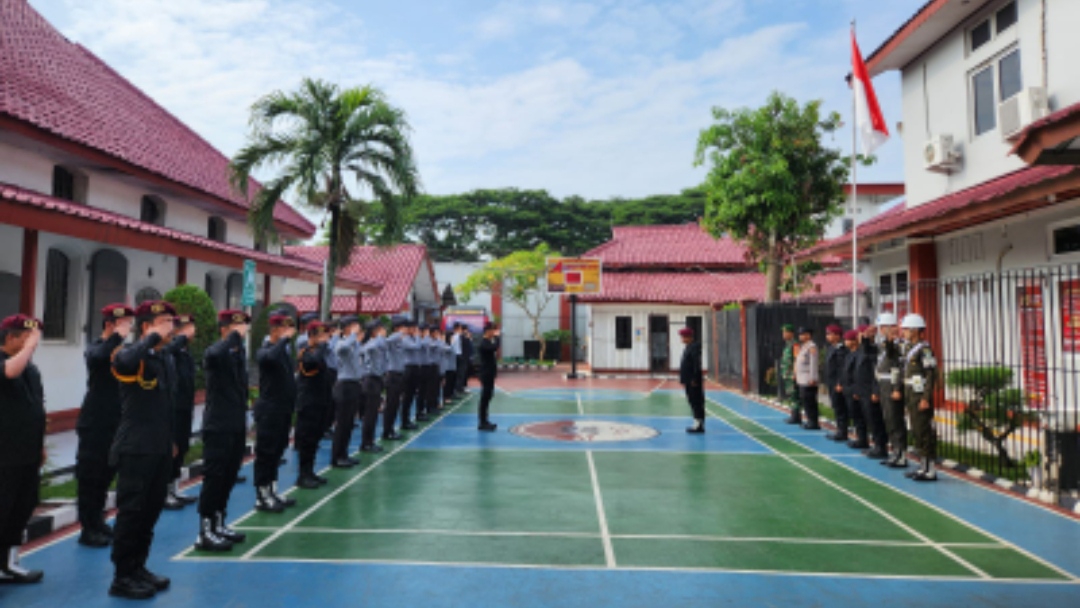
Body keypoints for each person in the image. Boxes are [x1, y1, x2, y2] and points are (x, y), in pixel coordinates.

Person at [108, 301, 177, 599]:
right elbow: (122, 362)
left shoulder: (163, 358)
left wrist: (170, 440)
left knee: (150, 511)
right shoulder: (129, 355)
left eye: (171, 321)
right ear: (146, 326)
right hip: (136, 447)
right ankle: (122, 575)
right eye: (163, 322)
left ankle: (138, 567)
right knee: (132, 512)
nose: (170, 327)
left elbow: (165, 405)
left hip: (159, 446)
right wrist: (150, 338)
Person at [76, 304, 134, 546]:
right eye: (124, 323)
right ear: (110, 324)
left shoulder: (124, 351)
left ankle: (98, 521)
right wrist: (116, 337)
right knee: (91, 477)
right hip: (96, 423)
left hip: (117, 422)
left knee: (105, 476)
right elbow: (99, 358)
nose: (129, 328)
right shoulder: (96, 347)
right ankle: (87, 528)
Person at [195, 310, 251, 552]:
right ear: (224, 329)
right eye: (236, 327)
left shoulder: (238, 354)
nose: (242, 331)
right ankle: (205, 530)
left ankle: (219, 522)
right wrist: (232, 338)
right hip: (218, 424)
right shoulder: (216, 352)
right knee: (215, 477)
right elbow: (214, 354)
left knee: (229, 475)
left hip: (235, 423)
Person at [0, 314, 45, 585]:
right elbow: (9, 372)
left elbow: (37, 407)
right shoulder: (9, 364)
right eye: (26, 338)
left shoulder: (30, 369)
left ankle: (9, 563)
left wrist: (40, 445)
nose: (33, 344)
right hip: (4, 455)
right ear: (10, 338)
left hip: (27, 452)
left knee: (22, 507)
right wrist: (29, 348)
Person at [253, 314, 298, 512]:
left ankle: (272, 490)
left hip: (283, 409)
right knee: (266, 453)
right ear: (274, 330)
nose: (289, 332)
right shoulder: (265, 350)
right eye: (284, 328)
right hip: (269, 410)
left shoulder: (283, 351)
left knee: (277, 451)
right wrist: (284, 339)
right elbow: (269, 358)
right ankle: (262, 496)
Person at [163, 314, 198, 511]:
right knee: (172, 449)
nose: (190, 332)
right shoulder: (171, 351)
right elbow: (170, 349)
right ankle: (165, 492)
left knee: (182, 447)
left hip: (185, 408)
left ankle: (174, 488)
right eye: (185, 328)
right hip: (173, 409)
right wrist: (182, 337)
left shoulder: (185, 354)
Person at [899, 313, 938, 482]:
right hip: (911, 394)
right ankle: (923, 466)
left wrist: (925, 398)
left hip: (920, 395)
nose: (903, 332)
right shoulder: (909, 349)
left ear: (914, 330)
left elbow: (930, 375)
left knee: (924, 432)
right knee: (916, 430)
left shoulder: (925, 350)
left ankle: (930, 470)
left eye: (906, 329)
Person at [295, 321, 332, 489]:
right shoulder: (305, 352)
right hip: (308, 404)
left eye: (325, 335)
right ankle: (303, 475)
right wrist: (322, 346)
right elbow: (314, 362)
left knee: (315, 439)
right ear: (311, 337)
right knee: (306, 440)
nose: (324, 339)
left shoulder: (318, 352)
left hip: (319, 402)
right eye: (320, 335)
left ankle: (310, 472)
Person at [875, 313, 908, 468]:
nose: (881, 330)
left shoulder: (898, 345)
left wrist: (896, 388)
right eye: (881, 327)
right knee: (888, 419)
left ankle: (901, 454)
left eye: (884, 327)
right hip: (883, 384)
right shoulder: (883, 344)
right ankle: (895, 451)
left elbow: (899, 368)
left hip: (892, 384)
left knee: (895, 420)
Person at [332, 316, 364, 467]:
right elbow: (342, 349)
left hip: (354, 384)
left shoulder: (354, 343)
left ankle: (344, 454)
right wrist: (352, 335)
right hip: (344, 385)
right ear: (346, 328)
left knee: (349, 423)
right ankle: (337, 457)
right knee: (342, 423)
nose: (357, 328)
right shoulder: (341, 342)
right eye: (354, 325)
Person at [855, 325, 888, 460]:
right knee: (870, 419)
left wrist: (875, 391)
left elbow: (876, 372)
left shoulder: (876, 350)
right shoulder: (862, 350)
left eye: (862, 334)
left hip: (871, 391)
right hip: (863, 391)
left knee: (876, 420)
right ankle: (876, 445)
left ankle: (881, 447)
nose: (859, 337)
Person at [361, 320, 387, 453]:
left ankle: (370, 441)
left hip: (377, 380)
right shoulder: (371, 344)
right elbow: (368, 348)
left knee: (374, 413)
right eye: (382, 329)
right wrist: (379, 337)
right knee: (370, 414)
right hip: (370, 380)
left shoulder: (377, 343)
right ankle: (366, 443)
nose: (384, 331)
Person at [381, 316, 408, 441]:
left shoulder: (401, 340)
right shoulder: (393, 339)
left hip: (399, 374)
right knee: (391, 404)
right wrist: (398, 334)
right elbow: (386, 341)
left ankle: (390, 429)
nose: (406, 329)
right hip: (392, 375)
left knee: (396, 404)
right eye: (404, 327)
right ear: (397, 328)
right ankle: (387, 431)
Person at [841, 330, 869, 449]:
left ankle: (863, 439)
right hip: (848, 389)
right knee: (854, 415)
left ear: (854, 341)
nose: (845, 342)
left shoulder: (859, 354)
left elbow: (857, 374)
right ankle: (859, 437)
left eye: (847, 339)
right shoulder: (849, 354)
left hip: (855, 389)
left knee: (859, 416)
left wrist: (856, 390)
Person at [824, 325, 849, 442]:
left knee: (840, 407)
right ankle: (839, 429)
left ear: (837, 336)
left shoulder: (841, 350)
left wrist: (840, 382)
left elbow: (841, 368)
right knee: (836, 406)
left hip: (837, 383)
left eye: (830, 334)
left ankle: (843, 431)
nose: (828, 336)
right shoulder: (831, 348)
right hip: (831, 382)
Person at [678, 326, 705, 433]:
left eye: (684, 337)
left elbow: (696, 364)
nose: (682, 339)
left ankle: (699, 425)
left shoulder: (694, 347)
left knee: (696, 401)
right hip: (688, 380)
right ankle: (696, 422)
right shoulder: (688, 347)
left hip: (693, 381)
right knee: (692, 401)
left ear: (689, 337)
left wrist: (694, 378)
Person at [794, 327, 821, 430]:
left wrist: (813, 378)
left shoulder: (811, 347)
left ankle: (813, 422)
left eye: (803, 334)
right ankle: (810, 420)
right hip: (802, 379)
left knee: (810, 401)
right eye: (800, 334)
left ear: (808, 335)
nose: (800, 336)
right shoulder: (803, 346)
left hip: (808, 379)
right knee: (805, 401)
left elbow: (813, 364)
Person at [477, 323, 500, 431]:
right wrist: (498, 338)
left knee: (488, 396)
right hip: (486, 373)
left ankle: (485, 420)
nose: (493, 333)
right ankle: (482, 422)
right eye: (492, 331)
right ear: (488, 331)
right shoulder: (484, 343)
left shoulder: (488, 342)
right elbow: (494, 348)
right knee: (485, 398)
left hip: (490, 373)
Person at [400, 321, 421, 430]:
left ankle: (407, 420)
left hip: (415, 368)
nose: (415, 331)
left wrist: (416, 337)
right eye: (413, 329)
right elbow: (416, 347)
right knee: (407, 396)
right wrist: (417, 336)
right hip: (408, 368)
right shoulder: (405, 339)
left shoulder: (413, 338)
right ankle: (404, 421)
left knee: (412, 395)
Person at [779, 324, 800, 424]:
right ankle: (793, 414)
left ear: (791, 333)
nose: (783, 334)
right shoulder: (787, 345)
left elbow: (796, 359)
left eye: (785, 332)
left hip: (792, 374)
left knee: (795, 395)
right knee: (791, 395)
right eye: (783, 332)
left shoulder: (795, 345)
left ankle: (796, 416)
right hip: (787, 374)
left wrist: (795, 373)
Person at [451, 323, 466, 398]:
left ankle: (458, 389)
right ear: (457, 329)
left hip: (458, 355)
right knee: (459, 373)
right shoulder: (455, 336)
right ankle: (456, 390)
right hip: (457, 355)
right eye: (460, 328)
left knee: (460, 373)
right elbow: (452, 346)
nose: (461, 330)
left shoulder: (457, 336)